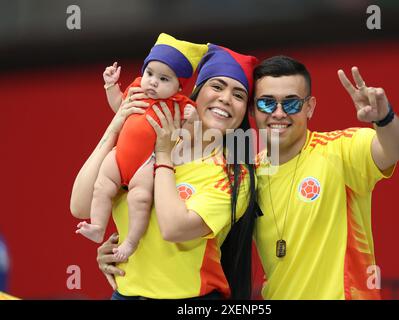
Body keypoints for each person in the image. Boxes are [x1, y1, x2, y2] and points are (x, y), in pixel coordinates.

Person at [71, 43, 259, 299]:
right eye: (216, 86)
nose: (225, 98)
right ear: (196, 91)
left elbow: (173, 229)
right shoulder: (142, 143)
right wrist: (115, 127)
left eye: (238, 95)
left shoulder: (234, 175)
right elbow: (81, 207)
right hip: (126, 294)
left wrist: (163, 154)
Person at [252, 56, 399, 299]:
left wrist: (384, 118)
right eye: (266, 103)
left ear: (310, 107)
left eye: (292, 103)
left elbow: (396, 148)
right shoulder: (248, 176)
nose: (279, 113)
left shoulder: (339, 151)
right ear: (253, 109)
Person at [75, 33, 208, 262]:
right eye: (149, 73)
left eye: (164, 79)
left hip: (147, 162)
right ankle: (97, 226)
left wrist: (192, 119)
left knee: (140, 199)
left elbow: (186, 137)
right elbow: (119, 108)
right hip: (119, 156)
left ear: (179, 87)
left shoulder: (180, 105)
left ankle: (131, 241)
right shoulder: (136, 89)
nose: (153, 81)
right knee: (101, 186)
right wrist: (110, 86)